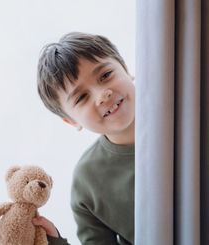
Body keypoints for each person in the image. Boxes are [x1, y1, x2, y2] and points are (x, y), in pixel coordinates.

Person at [33, 32, 135, 245]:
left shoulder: (189, 114)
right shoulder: (88, 182)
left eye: (106, 75)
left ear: (126, 70)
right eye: (81, 97)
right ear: (71, 121)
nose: (102, 95)